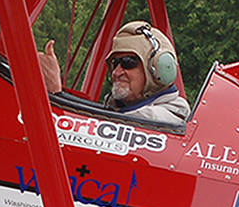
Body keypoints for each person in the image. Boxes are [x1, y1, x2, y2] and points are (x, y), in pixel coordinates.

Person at [39, 22, 190, 128]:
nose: (116, 72)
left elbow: (128, 122)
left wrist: (56, 94)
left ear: (160, 69)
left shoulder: (169, 117)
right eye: (114, 63)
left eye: (128, 62)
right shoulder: (119, 110)